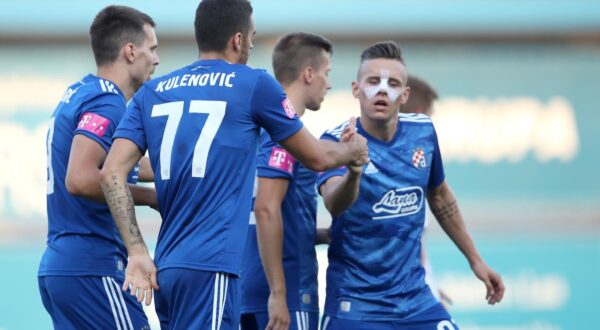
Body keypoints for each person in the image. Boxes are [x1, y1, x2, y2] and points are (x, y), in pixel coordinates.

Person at [99, 1, 368, 329]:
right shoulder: (253, 83)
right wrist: (353, 151)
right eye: (252, 36)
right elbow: (317, 157)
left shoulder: (153, 92)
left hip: (167, 267)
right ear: (238, 39)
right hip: (213, 266)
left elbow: (112, 172)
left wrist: (137, 250)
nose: (253, 45)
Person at [317, 41, 505, 330]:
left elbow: (440, 196)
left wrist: (476, 261)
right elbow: (334, 203)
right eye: (373, 82)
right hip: (355, 303)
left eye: (392, 83)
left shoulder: (422, 131)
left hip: (414, 301)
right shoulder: (334, 140)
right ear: (356, 89)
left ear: (404, 95)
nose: (382, 90)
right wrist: (355, 168)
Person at [38, 5, 159, 329]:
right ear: (130, 51)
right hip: (94, 265)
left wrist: (169, 171)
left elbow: (113, 168)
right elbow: (80, 179)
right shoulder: (107, 100)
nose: (157, 60)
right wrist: (152, 198)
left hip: (65, 265)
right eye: (153, 49)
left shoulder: (80, 92)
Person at [240, 32, 333, 330]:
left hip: (246, 287)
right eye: (326, 73)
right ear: (308, 74)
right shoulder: (285, 135)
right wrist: (279, 294)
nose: (328, 83)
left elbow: (274, 212)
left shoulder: (252, 130)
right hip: (285, 293)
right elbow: (266, 208)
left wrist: (325, 234)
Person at [400, 75, 452, 307]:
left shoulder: (419, 162)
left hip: (417, 293)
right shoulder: (402, 167)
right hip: (407, 300)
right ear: (420, 113)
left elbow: (416, 243)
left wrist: (431, 285)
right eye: (431, 115)